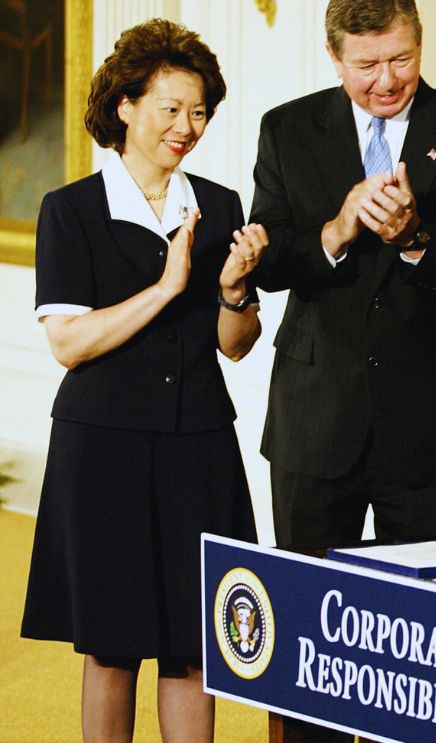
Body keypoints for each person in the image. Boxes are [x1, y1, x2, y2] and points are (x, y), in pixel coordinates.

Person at [20, 18, 265, 742]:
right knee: (114, 645)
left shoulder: (218, 206)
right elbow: (69, 342)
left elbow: (238, 345)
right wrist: (165, 288)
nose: (187, 127)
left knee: (195, 645)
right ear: (126, 105)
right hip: (104, 447)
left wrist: (231, 290)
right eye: (170, 108)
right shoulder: (70, 211)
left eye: (199, 111)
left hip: (198, 443)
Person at [249, 0, 436, 549]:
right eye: (367, 66)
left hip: (426, 424)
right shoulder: (287, 129)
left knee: (425, 613)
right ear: (334, 58)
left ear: (420, 43)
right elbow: (267, 264)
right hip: (314, 421)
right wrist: (335, 232)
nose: (387, 81)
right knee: (304, 602)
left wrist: (414, 239)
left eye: (401, 59)